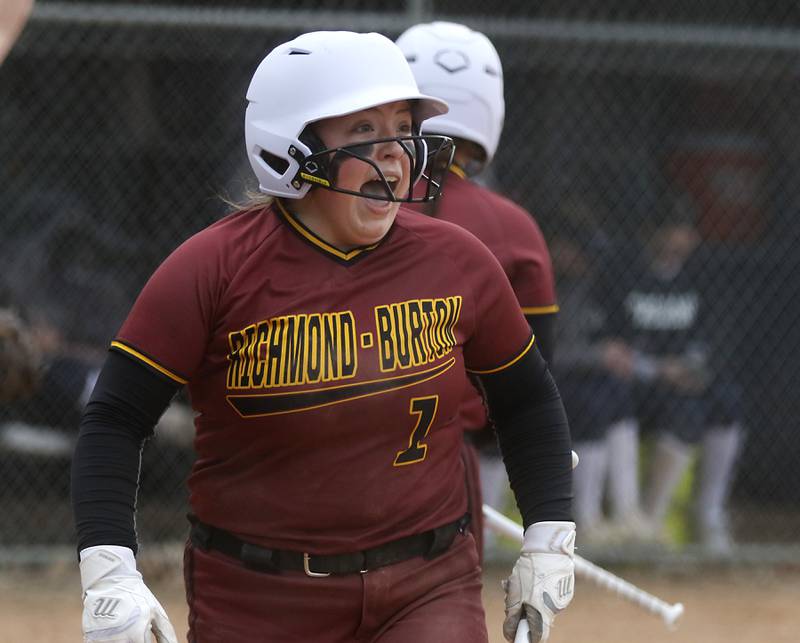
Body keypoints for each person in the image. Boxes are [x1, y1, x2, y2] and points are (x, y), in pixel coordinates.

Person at [70, 31, 575, 643]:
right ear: (292, 147)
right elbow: (115, 419)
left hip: (427, 583)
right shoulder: (213, 268)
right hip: (260, 597)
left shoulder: (459, 261)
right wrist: (109, 568)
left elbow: (527, 401)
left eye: (402, 127)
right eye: (364, 131)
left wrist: (548, 534)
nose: (396, 156)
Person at [396, 21, 559, 562]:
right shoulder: (514, 228)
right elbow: (533, 376)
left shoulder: (349, 210)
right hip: (452, 464)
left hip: (334, 450)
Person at [602, 204, 744, 553]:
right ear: (651, 233)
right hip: (634, 379)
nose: (677, 241)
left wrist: (688, 369)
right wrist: (654, 368)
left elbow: (711, 341)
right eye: (669, 231)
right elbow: (610, 344)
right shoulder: (624, 274)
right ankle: (630, 517)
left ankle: (680, 516)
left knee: (722, 401)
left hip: (679, 381)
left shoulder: (702, 278)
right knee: (609, 393)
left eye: (684, 232)